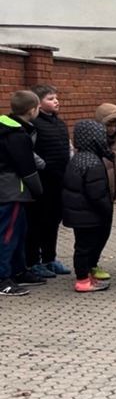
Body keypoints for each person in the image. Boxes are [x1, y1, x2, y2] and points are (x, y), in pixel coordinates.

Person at [0, 91, 44, 296]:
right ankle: (3, 278)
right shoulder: (17, 135)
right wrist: (38, 189)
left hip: (10, 190)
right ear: (32, 110)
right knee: (7, 234)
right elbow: (27, 168)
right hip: (11, 191)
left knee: (19, 231)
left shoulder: (7, 127)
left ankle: (18, 270)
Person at [62, 120, 114, 292]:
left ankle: (85, 275)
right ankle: (83, 280)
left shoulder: (77, 159)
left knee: (82, 245)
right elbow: (97, 193)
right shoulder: (92, 163)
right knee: (85, 247)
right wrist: (106, 209)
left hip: (79, 213)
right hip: (89, 214)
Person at [27, 84, 71, 278]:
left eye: (56, 97)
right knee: (37, 222)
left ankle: (49, 258)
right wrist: (43, 165)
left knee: (53, 221)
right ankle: (32, 261)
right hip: (41, 181)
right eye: (50, 99)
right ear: (38, 104)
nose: (56, 101)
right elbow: (29, 151)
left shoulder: (59, 123)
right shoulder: (34, 125)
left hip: (59, 181)